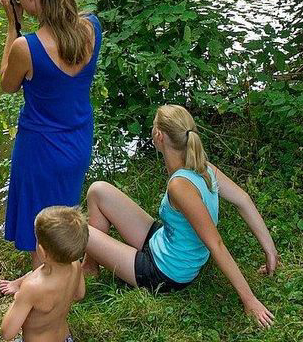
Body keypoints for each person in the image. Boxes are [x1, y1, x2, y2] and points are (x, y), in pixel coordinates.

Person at [82, 104, 279, 329]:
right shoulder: (203, 167)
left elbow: (216, 244)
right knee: (98, 190)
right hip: (165, 241)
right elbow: (243, 199)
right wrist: (270, 249)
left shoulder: (180, 186)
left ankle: (91, 265)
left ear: (159, 136)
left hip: (165, 272)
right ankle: (91, 266)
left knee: (78, 230)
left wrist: (250, 300)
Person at [0, 0, 102, 290]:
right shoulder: (92, 28)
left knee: (44, 227)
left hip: (41, 148)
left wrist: (12, 23)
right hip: (78, 139)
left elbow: (7, 84)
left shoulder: (26, 47)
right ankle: (66, 275)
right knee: (65, 216)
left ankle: (45, 297)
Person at [1, 206, 87, 342]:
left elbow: (7, 333)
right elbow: (79, 294)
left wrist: (19, 297)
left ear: (42, 251)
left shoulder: (32, 287)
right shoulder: (75, 264)